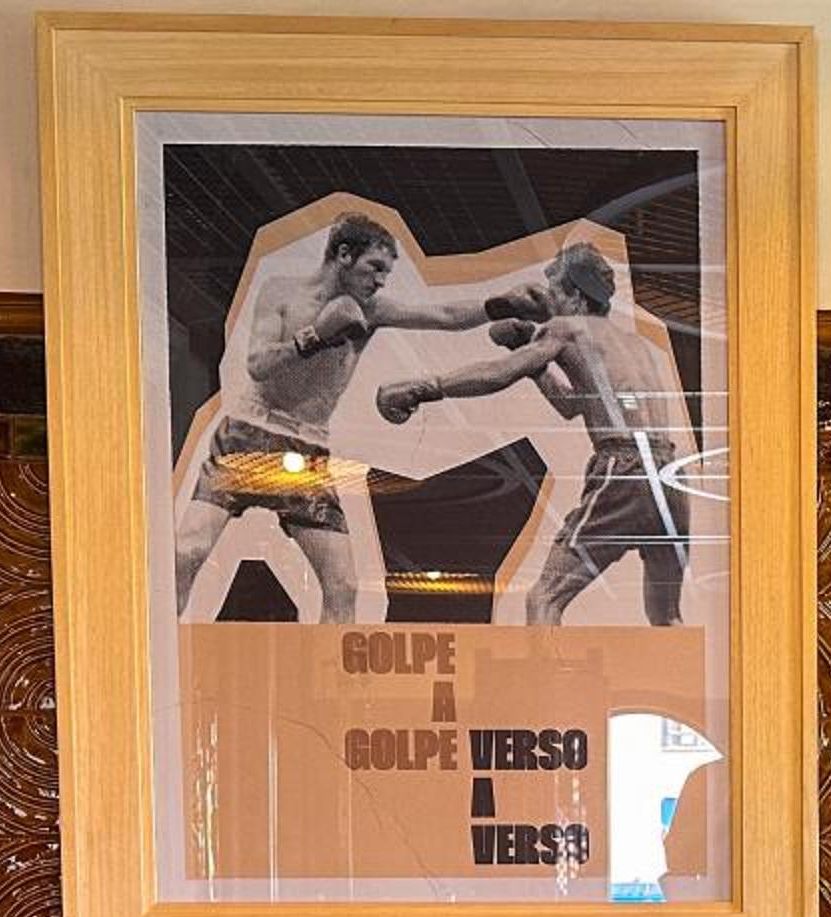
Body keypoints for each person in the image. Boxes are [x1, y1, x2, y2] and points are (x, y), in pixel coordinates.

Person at [175, 212, 548, 622]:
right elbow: (258, 365)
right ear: (343, 255)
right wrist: (315, 336)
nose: (381, 281)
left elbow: (442, 315)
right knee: (186, 551)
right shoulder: (281, 291)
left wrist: (501, 304)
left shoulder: (372, 310)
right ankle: (161, 646)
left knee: (344, 585)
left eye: (386, 272)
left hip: (307, 451)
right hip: (249, 435)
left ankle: (331, 665)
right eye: (375, 267)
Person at [373, 245, 694, 628]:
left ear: (576, 295)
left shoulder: (567, 328)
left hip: (624, 470)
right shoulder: (634, 344)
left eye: (554, 288)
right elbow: (571, 406)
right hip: (670, 476)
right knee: (666, 615)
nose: (547, 298)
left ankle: (547, 671)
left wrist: (425, 387)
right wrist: (533, 355)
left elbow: (498, 374)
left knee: (544, 598)